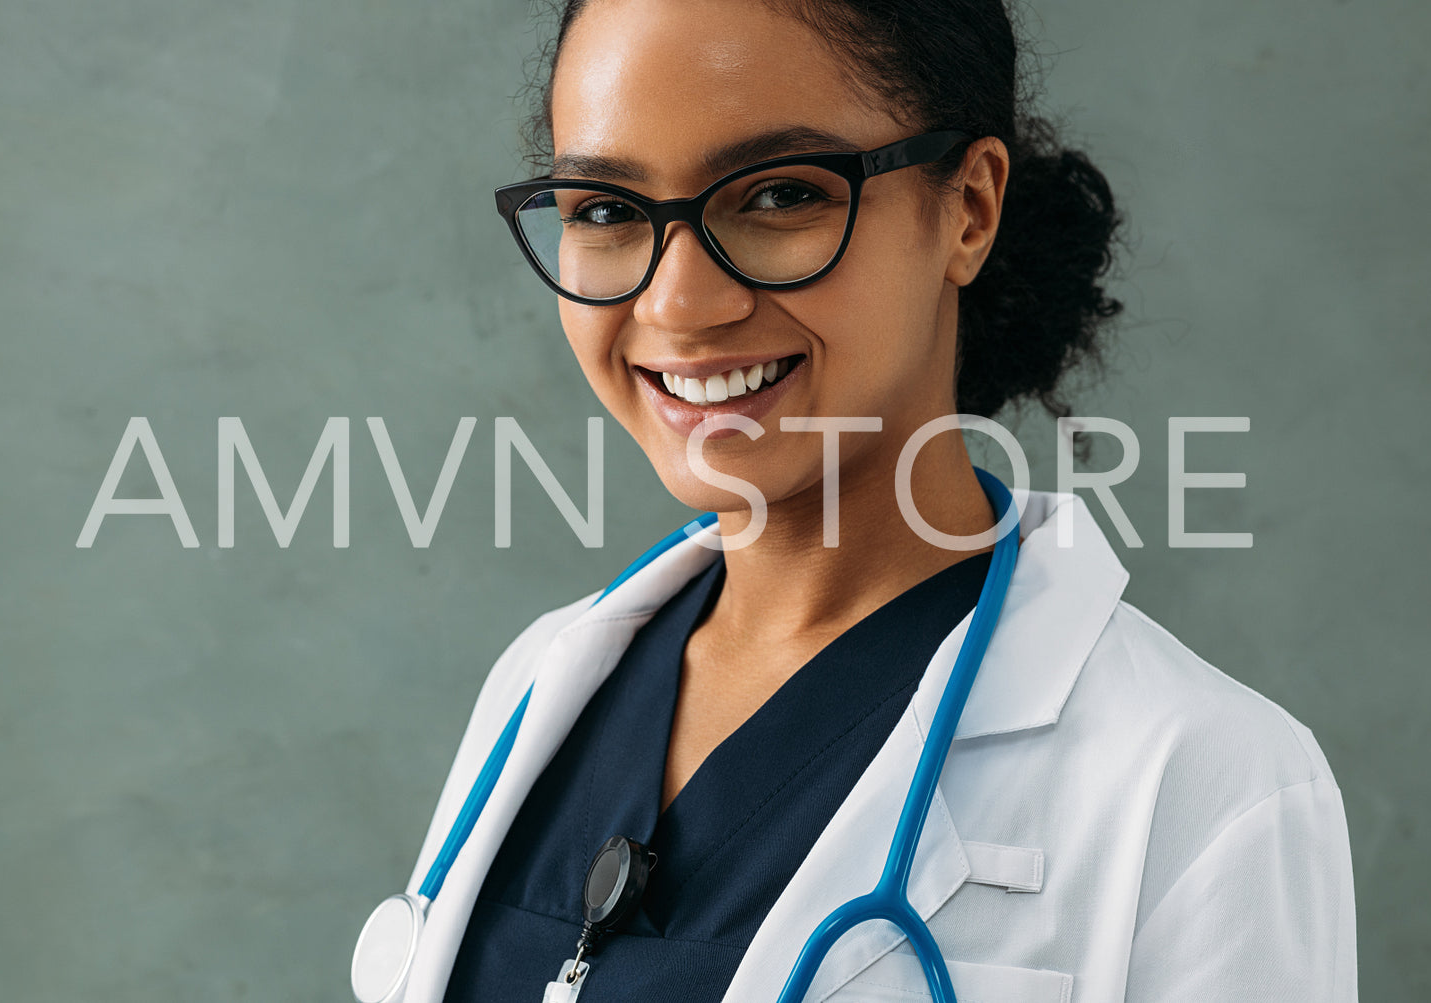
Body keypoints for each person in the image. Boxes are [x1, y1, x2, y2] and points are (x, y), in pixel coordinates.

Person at [366, 0, 1358, 999]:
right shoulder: (542, 682)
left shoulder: (1205, 781)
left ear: (966, 208)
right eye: (608, 212)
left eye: (778, 195)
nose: (677, 304)